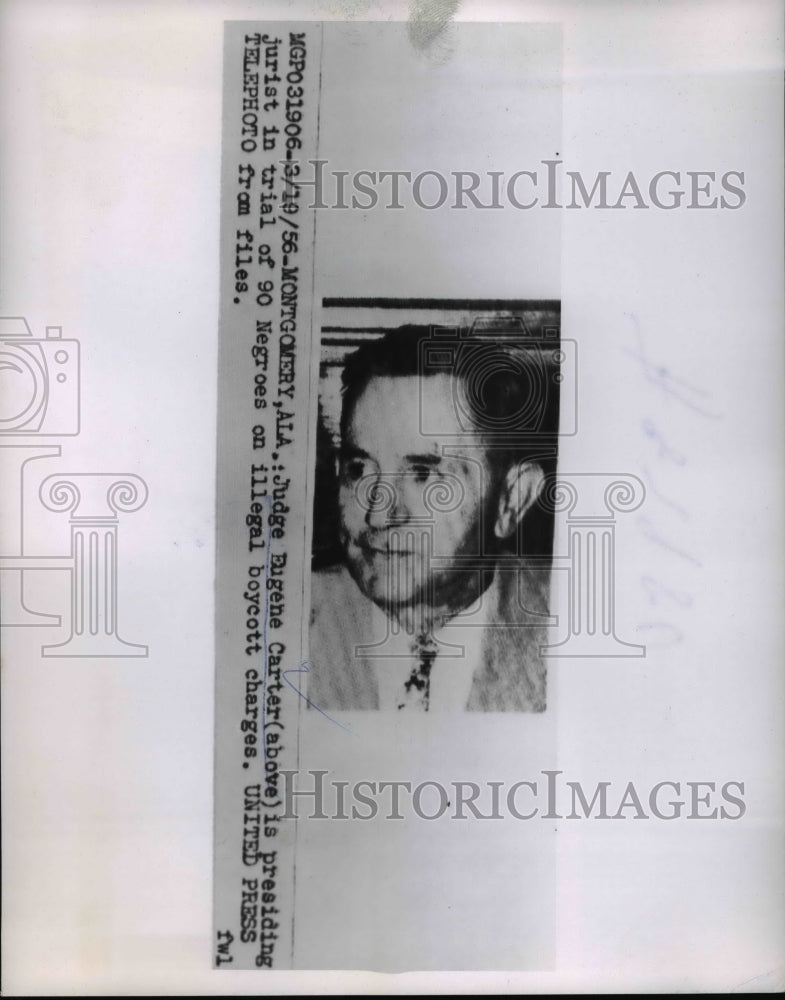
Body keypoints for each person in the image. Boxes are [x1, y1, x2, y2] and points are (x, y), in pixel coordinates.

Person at [308, 325, 556, 711]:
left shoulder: (568, 628)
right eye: (359, 469)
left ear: (511, 500)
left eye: (423, 475)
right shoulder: (289, 616)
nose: (377, 514)